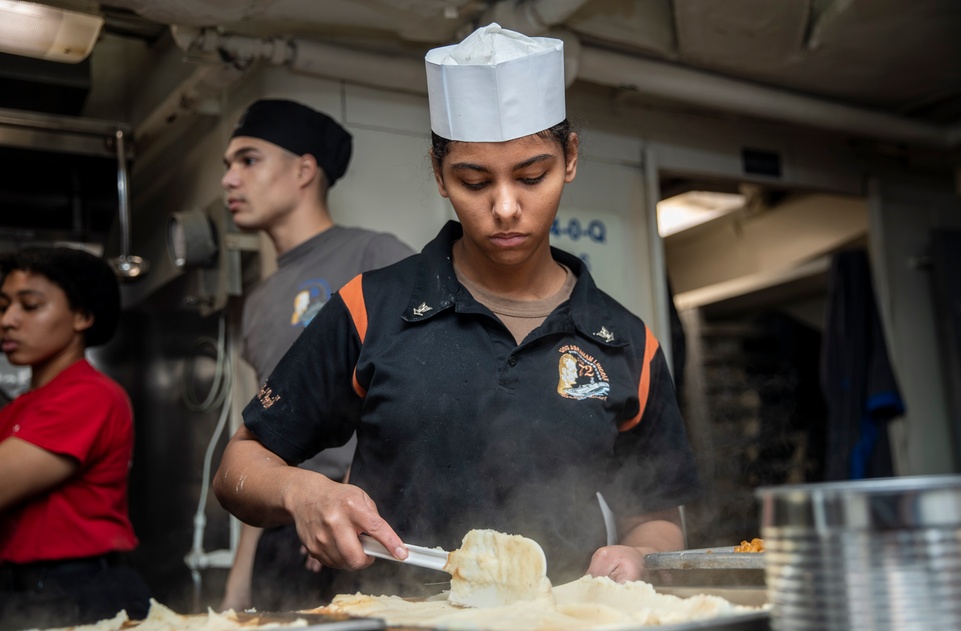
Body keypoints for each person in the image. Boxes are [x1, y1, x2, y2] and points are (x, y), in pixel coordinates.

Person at [213, 24, 700, 596]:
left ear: (570, 158)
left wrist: (641, 553)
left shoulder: (625, 342)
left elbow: (656, 516)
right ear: (440, 175)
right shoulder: (373, 307)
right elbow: (238, 466)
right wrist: (302, 493)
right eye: (474, 180)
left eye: (532, 175)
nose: (505, 207)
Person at [218, 99, 414, 612]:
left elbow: (422, 392)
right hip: (284, 533)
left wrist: (346, 496)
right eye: (228, 165)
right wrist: (241, 581)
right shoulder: (259, 302)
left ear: (304, 169)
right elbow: (263, 440)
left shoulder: (376, 257)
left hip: (364, 528)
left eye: (248, 159)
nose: (229, 180)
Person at [0, 246, 151, 631]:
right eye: (4, 306)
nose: (8, 320)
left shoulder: (89, 394)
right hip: (27, 591)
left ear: (82, 316)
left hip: (79, 593)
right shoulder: (17, 409)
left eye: (30, 306)